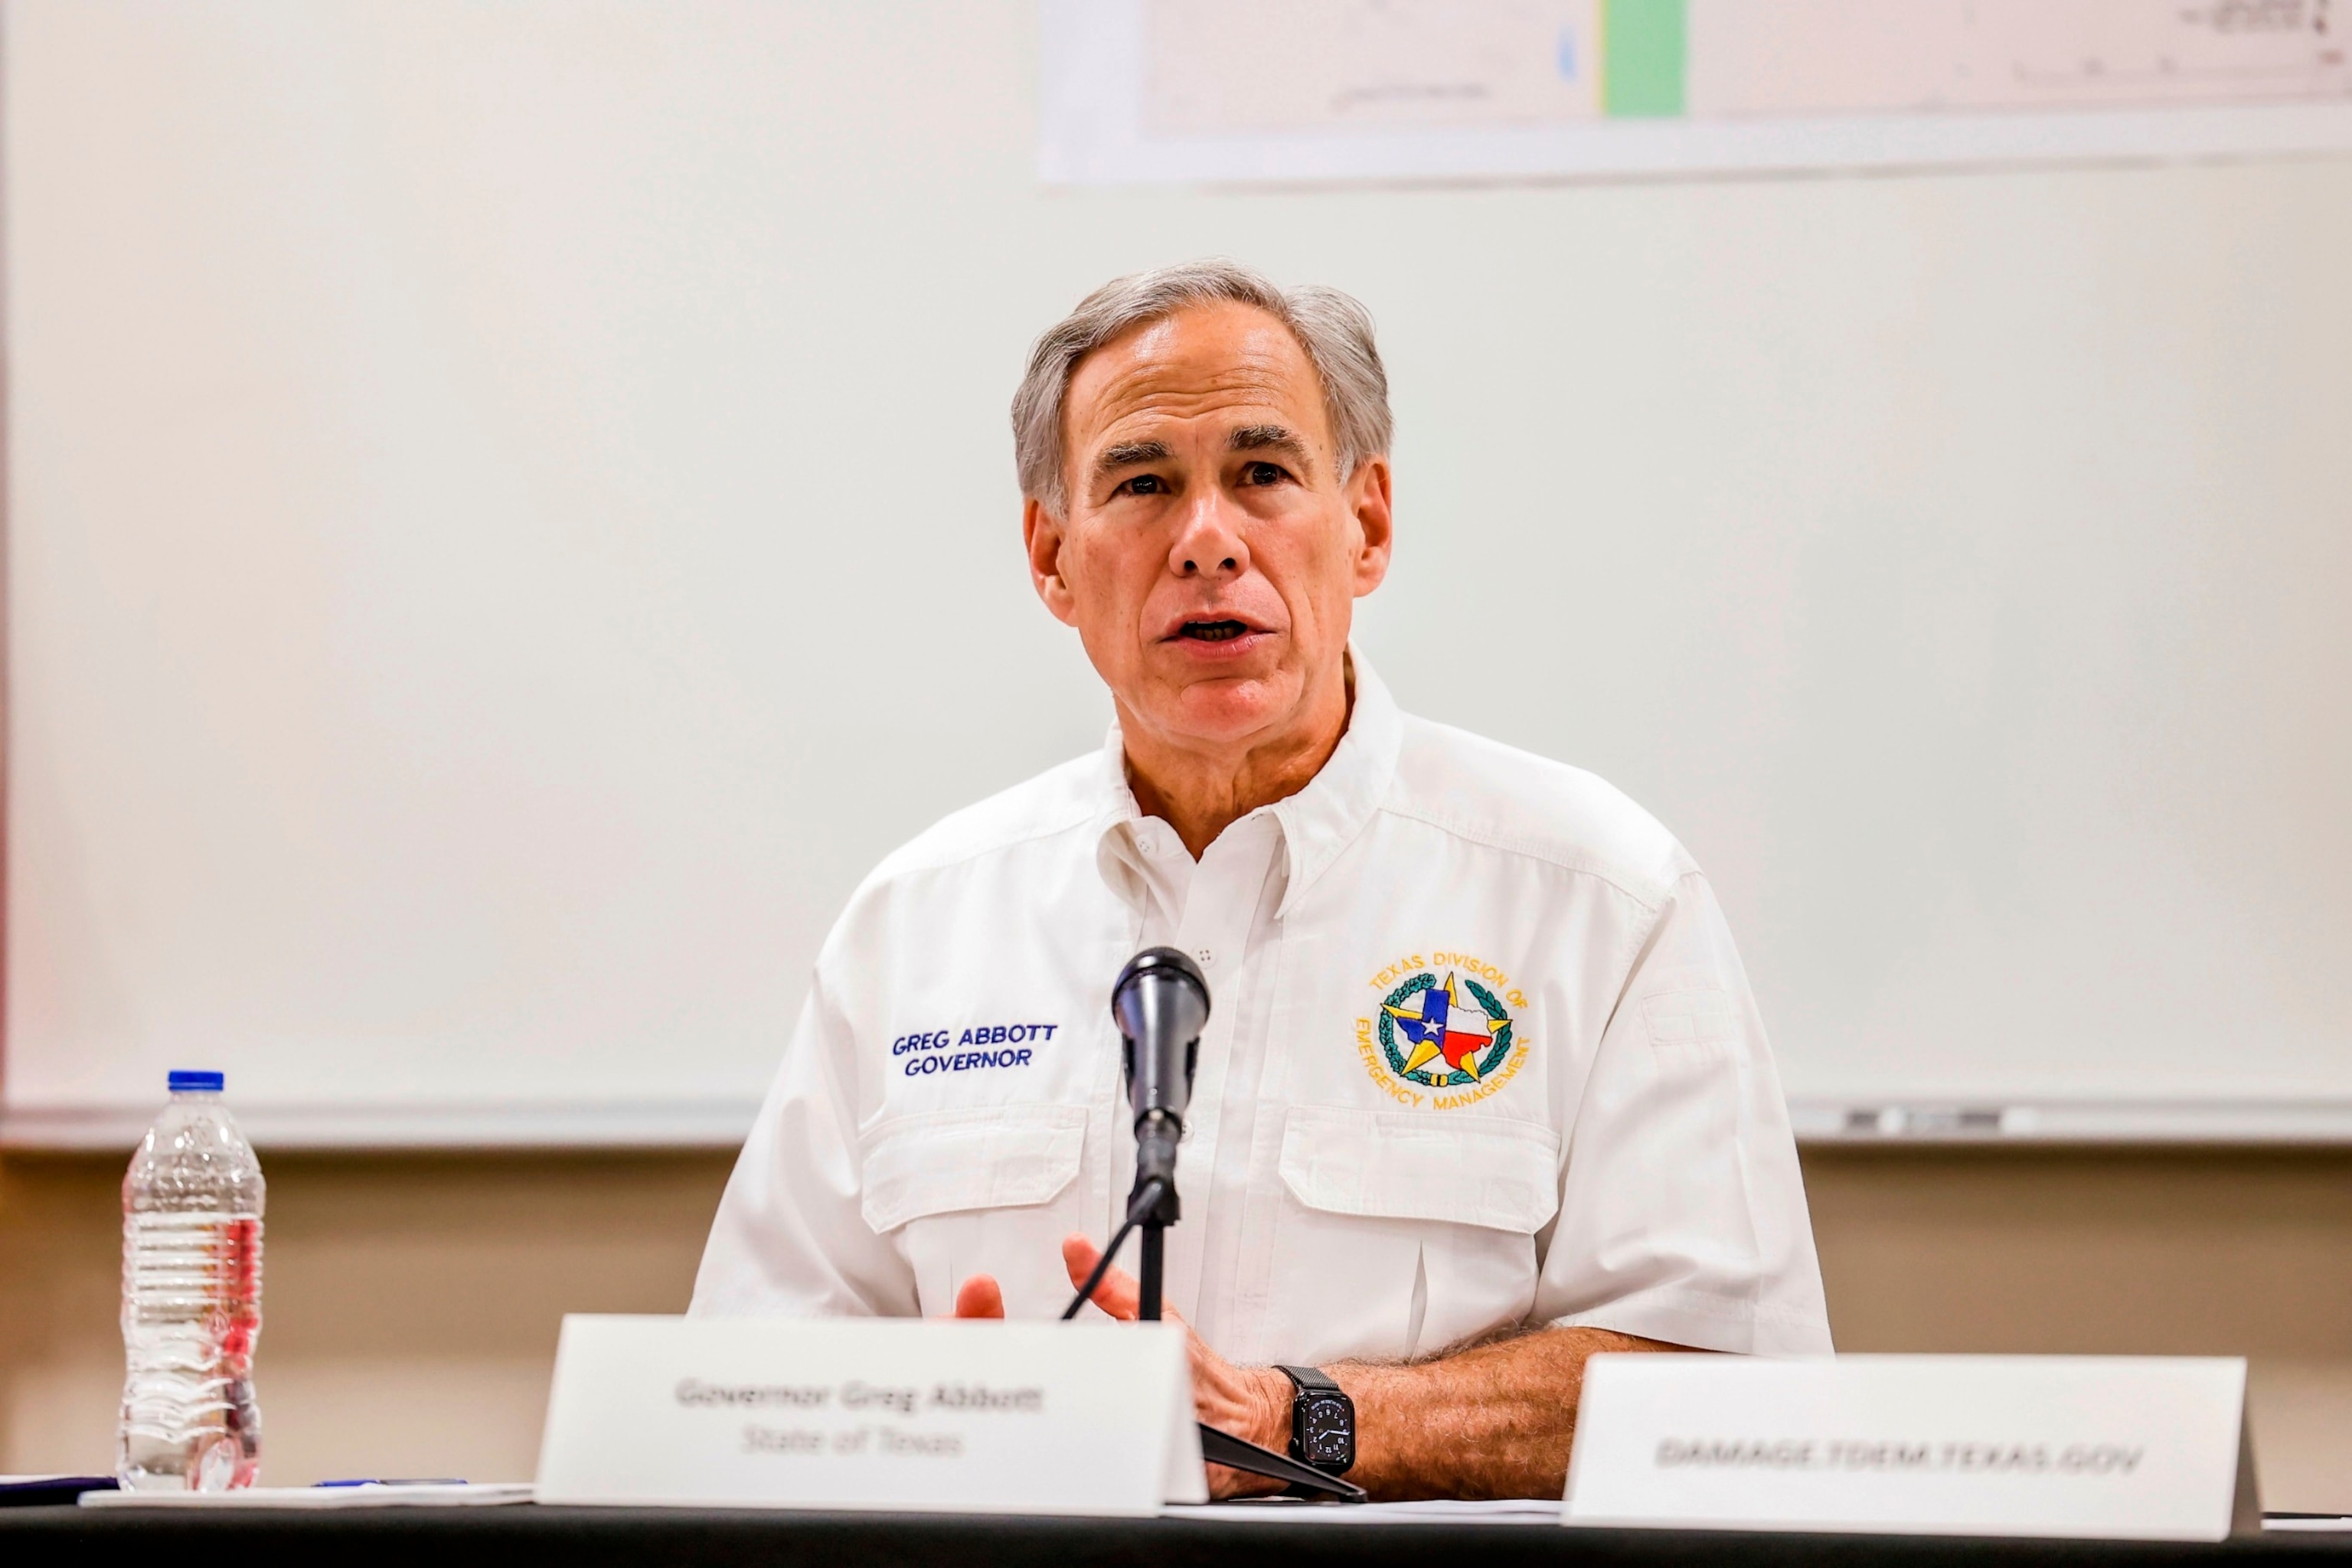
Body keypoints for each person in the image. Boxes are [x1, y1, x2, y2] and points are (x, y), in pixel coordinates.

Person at [691, 259, 1831, 1501]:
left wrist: (1307, 1424)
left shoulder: (1599, 898)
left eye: (1262, 476)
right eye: (1141, 484)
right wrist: (930, 1422)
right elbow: (751, 1375)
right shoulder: (915, 926)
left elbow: (1728, 1385)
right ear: (1052, 558)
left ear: (1368, 526)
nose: (1206, 542)